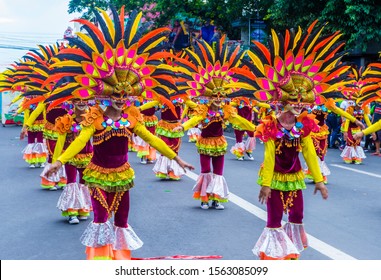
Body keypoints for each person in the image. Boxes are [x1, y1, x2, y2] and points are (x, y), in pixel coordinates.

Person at [44, 6, 194, 260]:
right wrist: (58, 161)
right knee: (101, 219)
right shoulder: (96, 117)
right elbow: (80, 139)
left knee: (122, 220)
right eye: (117, 95)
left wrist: (176, 158)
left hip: (123, 175)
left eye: (126, 95)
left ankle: (121, 264)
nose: (122, 99)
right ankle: (101, 263)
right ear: (107, 94)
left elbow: (151, 138)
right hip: (98, 175)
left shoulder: (131, 117)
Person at [227, 20, 351, 260]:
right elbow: (270, 155)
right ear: (281, 100)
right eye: (293, 101)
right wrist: (265, 183)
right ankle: (274, 258)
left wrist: (319, 181)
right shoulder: (271, 125)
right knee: (273, 220)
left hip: (295, 179)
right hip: (273, 179)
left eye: (301, 101)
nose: (297, 105)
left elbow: (309, 154)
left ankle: (291, 255)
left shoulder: (303, 127)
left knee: (297, 217)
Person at [170, 36, 255, 210]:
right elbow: (195, 119)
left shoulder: (226, 109)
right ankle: (204, 198)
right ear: (208, 96)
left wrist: (256, 128)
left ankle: (216, 198)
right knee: (206, 170)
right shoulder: (203, 109)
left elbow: (238, 120)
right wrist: (183, 126)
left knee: (219, 172)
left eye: (220, 96)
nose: (217, 99)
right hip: (205, 143)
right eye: (214, 96)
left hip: (220, 143)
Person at [53, 99, 93, 224]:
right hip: (70, 156)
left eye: (84, 101)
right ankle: (72, 212)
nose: (81, 103)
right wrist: (56, 161)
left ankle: (83, 209)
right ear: (73, 102)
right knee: (71, 182)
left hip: (87, 155)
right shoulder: (66, 120)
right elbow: (60, 142)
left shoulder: (91, 117)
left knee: (84, 182)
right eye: (78, 101)